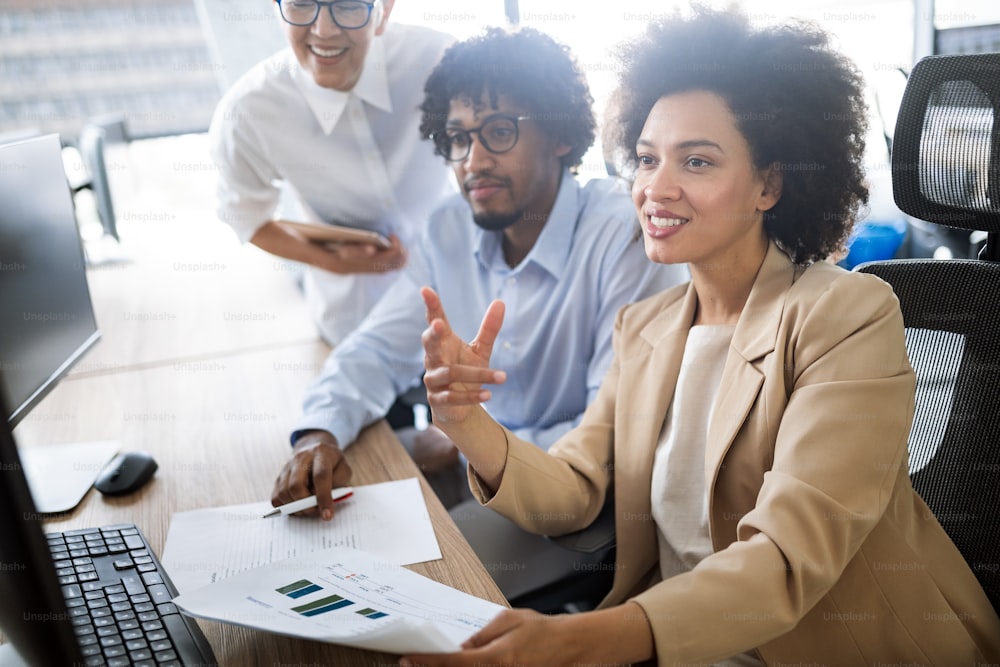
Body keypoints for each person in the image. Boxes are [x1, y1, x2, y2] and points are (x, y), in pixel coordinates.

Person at [405, 9, 1000, 667]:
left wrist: (578, 640)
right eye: (647, 158)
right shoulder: (648, 328)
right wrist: (467, 424)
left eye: (696, 160)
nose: (656, 188)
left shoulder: (847, 315)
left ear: (769, 184)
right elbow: (575, 486)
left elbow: (786, 557)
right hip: (690, 644)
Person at [269, 27, 686, 601]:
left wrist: (475, 439)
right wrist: (317, 434)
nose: (474, 161)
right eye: (458, 139)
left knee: (396, 589)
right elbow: (373, 350)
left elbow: (610, 436)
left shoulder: (622, 236)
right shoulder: (447, 229)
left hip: (578, 508)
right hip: (476, 472)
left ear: (560, 134)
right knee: (315, 555)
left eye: (499, 132)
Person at [209, 0, 456, 346]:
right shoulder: (248, 112)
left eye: (349, 5)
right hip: (354, 325)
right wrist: (331, 260)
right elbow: (247, 218)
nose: (323, 30)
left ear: (383, 11)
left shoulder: (439, 59)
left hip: (460, 308)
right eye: (301, 4)